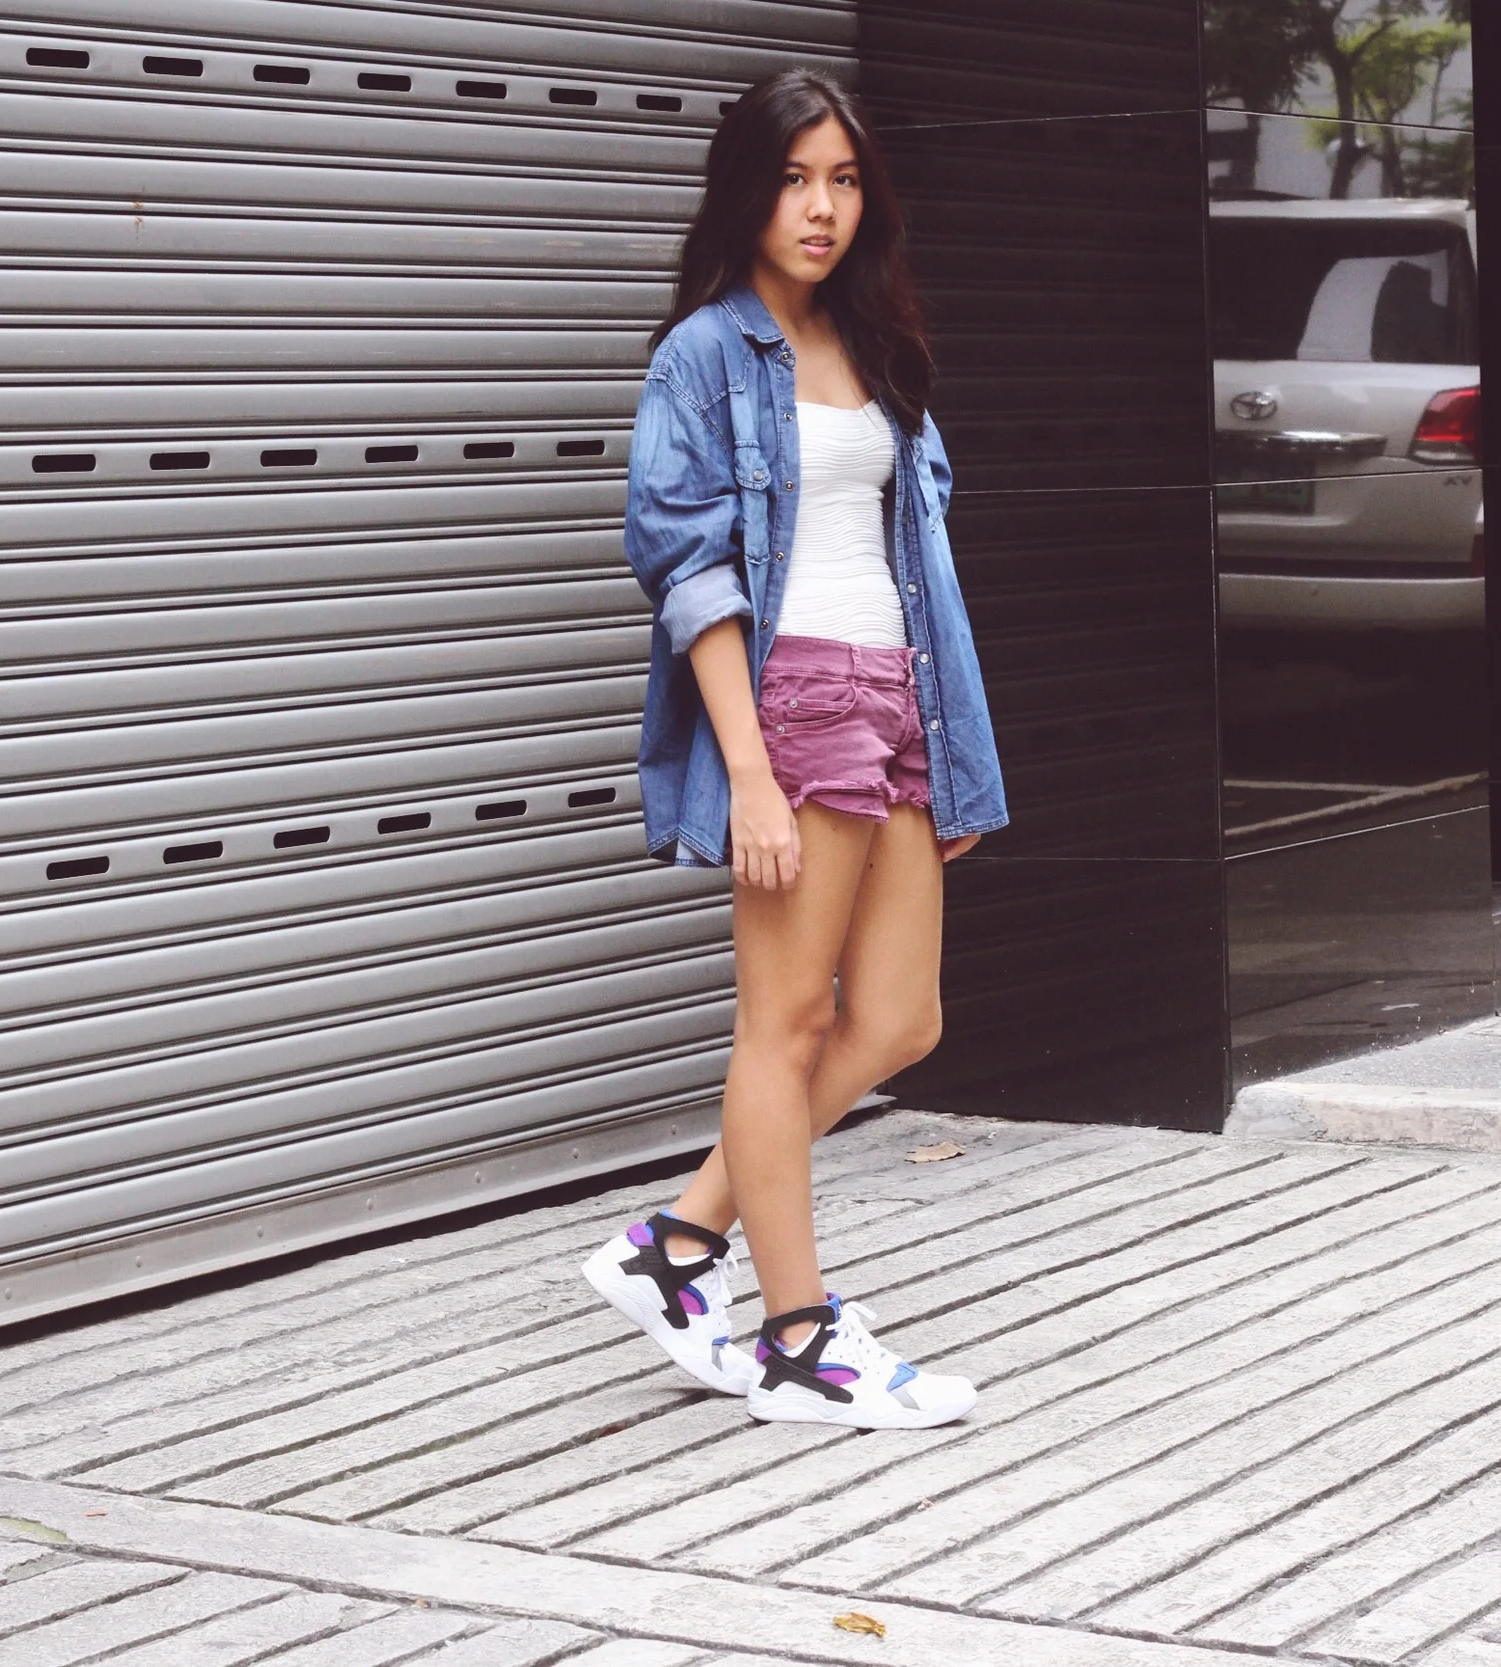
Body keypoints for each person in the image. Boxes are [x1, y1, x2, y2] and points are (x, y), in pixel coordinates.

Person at [581, 68, 1008, 1430]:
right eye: (793, 179)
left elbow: (920, 560)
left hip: (901, 696)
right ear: (746, 192)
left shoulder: (874, 342)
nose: (821, 207)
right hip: (798, 699)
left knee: (901, 1017)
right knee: (786, 1026)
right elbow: (689, 572)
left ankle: (675, 1243)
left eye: (843, 181)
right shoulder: (704, 355)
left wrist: (950, 749)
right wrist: (752, 771)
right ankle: (798, 1336)